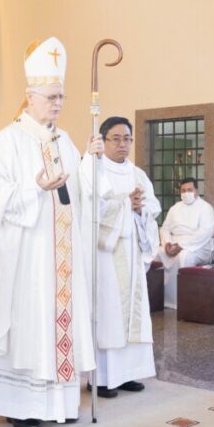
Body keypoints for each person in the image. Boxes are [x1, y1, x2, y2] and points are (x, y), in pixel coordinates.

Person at [0, 36, 101, 427]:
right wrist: (34, 189)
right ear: (29, 97)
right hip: (26, 255)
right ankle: (21, 404)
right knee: (29, 323)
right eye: (51, 97)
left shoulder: (64, 140)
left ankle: (59, 402)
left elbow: (78, 193)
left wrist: (89, 161)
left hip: (62, 256)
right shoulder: (8, 141)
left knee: (57, 322)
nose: (57, 104)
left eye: (61, 97)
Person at [79, 116, 160, 398]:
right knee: (108, 314)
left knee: (133, 315)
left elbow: (152, 207)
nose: (123, 144)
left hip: (132, 250)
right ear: (102, 141)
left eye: (127, 138)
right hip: (106, 253)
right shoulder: (93, 170)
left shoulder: (138, 174)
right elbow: (90, 209)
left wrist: (139, 209)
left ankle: (127, 374)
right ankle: (101, 379)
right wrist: (126, 203)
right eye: (115, 139)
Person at [157, 178, 214, 308]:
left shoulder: (205, 208)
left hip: (199, 246)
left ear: (196, 191)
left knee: (185, 256)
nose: (186, 193)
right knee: (157, 253)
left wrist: (181, 246)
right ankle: (160, 300)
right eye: (183, 191)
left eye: (189, 190)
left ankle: (184, 302)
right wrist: (167, 244)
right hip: (174, 243)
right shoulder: (175, 208)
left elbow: (204, 233)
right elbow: (165, 228)